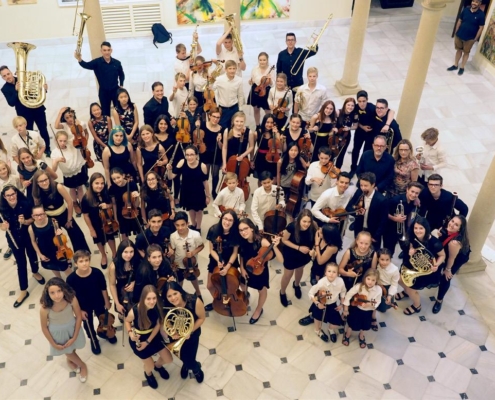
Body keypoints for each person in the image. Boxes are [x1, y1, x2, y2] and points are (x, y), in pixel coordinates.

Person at [0, 185, 45, 308]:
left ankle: (35, 272)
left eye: (13, 193)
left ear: (16, 193)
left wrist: (25, 221)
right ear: (4, 197)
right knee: (21, 264)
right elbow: (1, 225)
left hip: (28, 236)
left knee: (32, 255)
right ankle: (24, 290)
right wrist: (3, 227)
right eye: (8, 195)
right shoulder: (1, 209)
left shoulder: (25, 203)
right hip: (14, 240)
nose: (11, 197)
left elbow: (33, 218)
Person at [66, 250, 117, 354]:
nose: (84, 263)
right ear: (76, 263)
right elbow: (71, 297)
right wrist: (79, 311)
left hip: (99, 301)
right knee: (88, 324)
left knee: (104, 319)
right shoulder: (71, 279)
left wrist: (107, 302)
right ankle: (93, 339)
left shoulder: (97, 273)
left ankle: (107, 333)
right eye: (81, 261)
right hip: (83, 306)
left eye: (86, 260)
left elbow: (103, 289)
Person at [39, 278, 87, 382]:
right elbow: (44, 327)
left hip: (72, 327)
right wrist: (53, 344)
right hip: (58, 334)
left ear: (64, 290)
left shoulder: (71, 299)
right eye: (52, 293)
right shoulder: (45, 308)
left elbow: (78, 316)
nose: (56, 296)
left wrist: (74, 337)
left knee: (72, 348)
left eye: (59, 291)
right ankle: (82, 365)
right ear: (47, 294)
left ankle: (70, 360)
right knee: (67, 350)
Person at [125, 285, 172, 389]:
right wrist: (130, 333)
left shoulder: (157, 306)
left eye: (154, 298)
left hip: (153, 336)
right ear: (143, 298)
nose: (152, 302)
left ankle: (158, 366)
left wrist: (148, 341)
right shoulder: (135, 311)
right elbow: (127, 321)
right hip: (139, 339)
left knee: (168, 359)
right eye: (148, 299)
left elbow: (158, 325)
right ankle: (148, 374)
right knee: (149, 366)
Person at [396, 216, 446, 316]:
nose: (418, 231)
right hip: (411, 263)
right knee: (399, 279)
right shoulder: (412, 235)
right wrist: (411, 249)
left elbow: (442, 255)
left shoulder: (435, 243)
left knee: (412, 289)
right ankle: (406, 292)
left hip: (423, 272)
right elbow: (411, 243)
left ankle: (417, 305)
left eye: (421, 228)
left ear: (426, 228)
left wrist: (436, 265)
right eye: (416, 228)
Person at [31, 170, 90, 253]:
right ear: (36, 182)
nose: (44, 183)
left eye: (46, 179)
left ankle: (82, 254)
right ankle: (63, 258)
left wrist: (69, 219)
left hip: (64, 214)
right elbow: (39, 208)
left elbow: (69, 202)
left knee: (77, 234)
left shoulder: (58, 186)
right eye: (41, 181)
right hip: (50, 218)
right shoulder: (36, 192)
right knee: (57, 240)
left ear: (49, 179)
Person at [238, 218, 283, 324]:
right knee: (242, 283)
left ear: (252, 228)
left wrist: (275, 246)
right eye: (240, 230)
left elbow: (281, 260)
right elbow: (241, 255)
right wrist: (242, 268)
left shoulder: (262, 241)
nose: (243, 232)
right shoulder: (241, 240)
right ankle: (246, 294)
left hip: (259, 271)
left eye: (246, 229)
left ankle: (259, 309)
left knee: (261, 290)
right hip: (246, 267)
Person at [0, 65, 51, 156]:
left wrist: (43, 89)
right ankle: (33, 151)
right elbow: (11, 103)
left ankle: (47, 149)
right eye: (4, 76)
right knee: (29, 132)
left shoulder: (23, 79)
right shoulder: (5, 89)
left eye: (8, 74)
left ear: (11, 73)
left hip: (37, 109)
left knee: (43, 130)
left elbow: (34, 91)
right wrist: (16, 91)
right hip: (24, 114)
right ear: (2, 77)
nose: (7, 77)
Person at [162, 281, 206, 383]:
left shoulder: (195, 301)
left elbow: (202, 318)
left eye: (175, 293)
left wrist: (190, 331)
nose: (173, 298)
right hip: (176, 336)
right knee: (182, 356)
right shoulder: (166, 305)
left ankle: (196, 369)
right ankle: (186, 364)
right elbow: (165, 321)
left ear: (180, 292)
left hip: (192, 334)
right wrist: (171, 332)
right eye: (169, 296)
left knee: (191, 356)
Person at [350, 91, 395, 176]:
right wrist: (362, 127)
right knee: (355, 150)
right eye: (359, 101)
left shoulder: (372, 108)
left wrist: (387, 124)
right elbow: (355, 121)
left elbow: (391, 111)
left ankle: (361, 169)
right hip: (360, 131)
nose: (362, 103)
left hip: (370, 133)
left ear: (367, 100)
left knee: (366, 152)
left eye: (364, 101)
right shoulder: (355, 107)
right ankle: (353, 168)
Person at [432, 215, 470, 313]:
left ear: (459, 229)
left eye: (456, 225)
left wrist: (447, 269)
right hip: (448, 250)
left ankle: (439, 300)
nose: (452, 224)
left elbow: (451, 258)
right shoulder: (446, 227)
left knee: (446, 277)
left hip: (457, 257)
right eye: (452, 221)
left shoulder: (455, 242)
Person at [167, 145, 210, 232]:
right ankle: (193, 225)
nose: (189, 157)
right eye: (187, 155)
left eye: (192, 155)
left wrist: (208, 196)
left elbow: (205, 182)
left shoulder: (202, 166)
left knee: (198, 210)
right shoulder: (182, 162)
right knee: (190, 209)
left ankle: (198, 227)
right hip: (186, 191)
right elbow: (170, 177)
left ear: (196, 155)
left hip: (198, 192)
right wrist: (169, 170)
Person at [279, 209, 318, 307]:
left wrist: (313, 249)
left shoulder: (314, 226)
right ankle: (282, 292)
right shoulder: (292, 227)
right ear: (299, 219)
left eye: (309, 222)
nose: (306, 224)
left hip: (304, 254)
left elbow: (316, 240)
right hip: (291, 252)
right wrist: (299, 248)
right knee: (287, 274)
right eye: (304, 221)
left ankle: (296, 285)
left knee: (300, 269)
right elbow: (284, 240)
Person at [75, 41, 125, 116]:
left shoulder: (117, 63)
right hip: (104, 92)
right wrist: (79, 59)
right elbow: (86, 65)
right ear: (101, 51)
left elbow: (121, 74)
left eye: (108, 50)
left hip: (115, 90)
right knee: (105, 113)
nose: (107, 52)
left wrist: (121, 85)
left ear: (111, 50)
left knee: (119, 111)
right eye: (104, 50)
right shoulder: (97, 62)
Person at [299, 263, 345, 343]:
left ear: (338, 273)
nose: (331, 274)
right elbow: (311, 293)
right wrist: (317, 304)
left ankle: (330, 329)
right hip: (321, 302)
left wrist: (341, 304)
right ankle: (317, 330)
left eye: (334, 272)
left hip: (332, 304)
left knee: (337, 322)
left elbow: (343, 292)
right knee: (317, 318)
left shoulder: (340, 281)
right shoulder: (321, 282)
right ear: (325, 272)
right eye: (329, 271)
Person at [204, 210, 240, 312]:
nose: (227, 222)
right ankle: (217, 301)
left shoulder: (235, 233)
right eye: (225, 219)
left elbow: (235, 252)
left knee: (229, 286)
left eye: (230, 220)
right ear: (221, 218)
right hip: (216, 260)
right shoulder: (213, 230)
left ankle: (231, 301)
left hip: (230, 261)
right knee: (210, 286)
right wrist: (219, 261)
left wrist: (227, 266)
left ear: (234, 222)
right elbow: (211, 250)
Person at [81, 172, 118, 268]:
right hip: (95, 223)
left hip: (108, 220)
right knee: (99, 240)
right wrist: (91, 229)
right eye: (97, 183)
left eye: (102, 183)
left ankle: (114, 253)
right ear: (91, 184)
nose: (100, 186)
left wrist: (107, 205)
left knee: (110, 237)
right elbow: (86, 215)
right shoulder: (86, 198)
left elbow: (113, 204)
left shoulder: (106, 193)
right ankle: (104, 256)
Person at [28, 205, 73, 279]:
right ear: (32, 216)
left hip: (57, 249)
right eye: (36, 215)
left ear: (45, 213)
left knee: (66, 268)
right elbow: (33, 242)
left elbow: (61, 237)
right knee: (53, 267)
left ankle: (73, 281)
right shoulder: (31, 228)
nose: (39, 217)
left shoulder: (53, 221)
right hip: (45, 251)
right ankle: (59, 280)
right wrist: (40, 255)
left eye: (41, 214)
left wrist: (60, 233)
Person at [51, 131, 88, 215]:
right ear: (56, 140)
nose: (63, 143)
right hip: (68, 173)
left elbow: (80, 141)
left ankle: (82, 202)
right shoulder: (55, 152)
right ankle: (75, 202)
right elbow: (53, 169)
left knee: (80, 187)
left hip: (78, 169)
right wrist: (57, 160)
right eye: (60, 141)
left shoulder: (72, 145)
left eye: (65, 141)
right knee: (72, 188)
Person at [342, 269, 382, 348]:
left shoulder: (378, 290)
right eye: (368, 279)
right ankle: (347, 334)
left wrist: (369, 305)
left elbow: (378, 301)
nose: (370, 282)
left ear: (376, 281)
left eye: (373, 280)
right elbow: (348, 295)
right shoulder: (359, 286)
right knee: (352, 323)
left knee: (365, 325)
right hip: (357, 309)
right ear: (365, 278)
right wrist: (346, 308)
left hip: (368, 311)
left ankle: (361, 336)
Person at [168, 211, 204, 298]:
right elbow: (173, 248)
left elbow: (201, 246)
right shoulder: (173, 236)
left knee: (194, 278)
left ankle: (198, 293)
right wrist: (171, 251)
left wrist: (193, 253)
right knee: (179, 281)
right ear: (174, 225)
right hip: (179, 264)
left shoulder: (195, 235)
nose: (180, 228)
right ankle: (180, 295)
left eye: (183, 224)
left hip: (192, 263)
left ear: (187, 223)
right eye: (177, 225)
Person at [346, 172, 388, 245]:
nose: (363, 188)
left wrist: (375, 236)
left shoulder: (382, 200)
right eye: (361, 185)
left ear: (373, 185)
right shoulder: (359, 192)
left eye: (366, 186)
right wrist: (357, 212)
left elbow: (383, 221)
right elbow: (348, 207)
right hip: (359, 228)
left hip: (373, 232)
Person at [383, 181, 423, 258]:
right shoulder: (395, 200)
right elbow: (382, 213)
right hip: (389, 230)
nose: (414, 194)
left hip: (403, 229)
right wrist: (394, 218)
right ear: (407, 189)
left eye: (417, 193)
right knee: (389, 252)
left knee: (407, 249)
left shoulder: (413, 201)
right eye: (412, 191)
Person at [447, 0, 485, 75]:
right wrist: (456, 32)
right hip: (459, 35)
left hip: (470, 38)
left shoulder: (481, 15)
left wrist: (475, 39)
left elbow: (481, 28)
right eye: (473, 1)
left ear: (479, 4)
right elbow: (459, 21)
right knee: (458, 50)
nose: (474, 3)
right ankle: (455, 65)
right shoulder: (465, 10)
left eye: (476, 2)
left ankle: (462, 67)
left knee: (466, 53)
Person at [276, 32, 318, 98]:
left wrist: (315, 42)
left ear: (295, 41)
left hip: (298, 84)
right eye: (288, 40)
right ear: (286, 42)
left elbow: (313, 52)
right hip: (286, 85)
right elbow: (278, 71)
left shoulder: (301, 52)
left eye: (292, 40)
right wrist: (281, 84)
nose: (290, 42)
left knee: (297, 105)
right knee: (285, 105)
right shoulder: (281, 54)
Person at [108, 239, 140, 320]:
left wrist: (135, 283)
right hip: (121, 293)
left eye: (131, 251)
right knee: (123, 312)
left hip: (136, 289)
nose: (129, 255)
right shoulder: (114, 266)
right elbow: (112, 285)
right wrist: (117, 303)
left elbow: (143, 276)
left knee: (137, 311)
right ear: (120, 252)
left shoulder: (137, 262)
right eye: (125, 252)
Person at [108, 167, 141, 241]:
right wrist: (116, 219)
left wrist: (137, 197)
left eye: (118, 177)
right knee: (124, 234)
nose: (116, 180)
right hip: (121, 211)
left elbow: (137, 204)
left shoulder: (132, 184)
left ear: (123, 176)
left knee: (140, 231)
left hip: (133, 209)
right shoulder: (112, 189)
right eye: (114, 179)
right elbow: (114, 204)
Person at [0, 160, 22, 261]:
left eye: (4, 168)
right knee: (10, 227)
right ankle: (11, 246)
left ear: (7, 168)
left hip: (18, 204)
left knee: (22, 222)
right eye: (0, 170)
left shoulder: (15, 178)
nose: (2, 171)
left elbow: (20, 189)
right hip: (6, 208)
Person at [372, 248, 399, 329]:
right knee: (373, 304)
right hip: (376, 285)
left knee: (383, 308)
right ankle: (373, 317)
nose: (384, 262)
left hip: (387, 288)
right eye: (382, 259)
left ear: (390, 259)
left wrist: (390, 295)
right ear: (378, 259)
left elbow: (394, 284)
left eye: (387, 260)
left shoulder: (394, 270)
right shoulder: (376, 265)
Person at [213, 60, 245, 128]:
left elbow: (240, 95)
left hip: (234, 108)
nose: (232, 71)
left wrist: (240, 109)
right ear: (225, 69)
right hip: (222, 109)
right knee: (223, 128)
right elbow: (212, 89)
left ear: (236, 69)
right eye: (230, 68)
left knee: (234, 128)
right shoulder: (219, 79)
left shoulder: (239, 80)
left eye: (234, 68)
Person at [201, 107, 224, 198]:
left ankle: (214, 191)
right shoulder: (203, 125)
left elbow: (223, 147)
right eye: (214, 116)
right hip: (205, 154)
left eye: (218, 117)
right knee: (205, 175)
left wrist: (219, 141)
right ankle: (204, 192)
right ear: (209, 116)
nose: (215, 119)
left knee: (215, 175)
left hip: (216, 155)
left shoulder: (222, 129)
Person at [247, 52, 275, 127]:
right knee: (256, 109)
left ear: (267, 60)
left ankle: (268, 125)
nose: (262, 62)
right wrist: (250, 81)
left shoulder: (271, 69)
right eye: (260, 60)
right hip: (256, 89)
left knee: (268, 111)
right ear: (258, 60)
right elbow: (252, 80)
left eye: (264, 60)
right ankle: (257, 125)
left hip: (266, 90)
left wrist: (270, 79)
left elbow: (273, 84)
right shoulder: (255, 69)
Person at [253, 114, 281, 180]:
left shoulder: (276, 133)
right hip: (260, 158)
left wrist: (276, 134)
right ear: (264, 122)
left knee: (273, 178)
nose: (269, 124)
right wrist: (252, 160)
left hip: (272, 158)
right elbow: (253, 147)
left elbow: (279, 147)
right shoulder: (258, 133)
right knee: (261, 179)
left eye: (271, 123)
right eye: (267, 122)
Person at [334, 98, 359, 169]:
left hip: (346, 136)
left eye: (352, 105)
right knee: (332, 151)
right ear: (345, 104)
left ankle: (337, 169)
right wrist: (334, 128)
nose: (350, 107)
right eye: (348, 105)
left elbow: (355, 126)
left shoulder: (355, 115)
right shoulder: (338, 112)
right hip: (336, 134)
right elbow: (333, 122)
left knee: (341, 154)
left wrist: (349, 128)